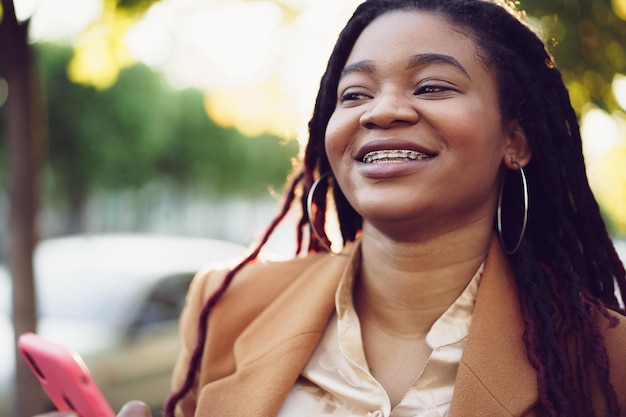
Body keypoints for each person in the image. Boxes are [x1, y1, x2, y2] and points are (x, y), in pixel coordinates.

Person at [45, 0, 626, 416]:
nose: (382, 111)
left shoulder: (606, 356)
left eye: (431, 87)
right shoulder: (227, 306)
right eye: (355, 94)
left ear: (515, 140)